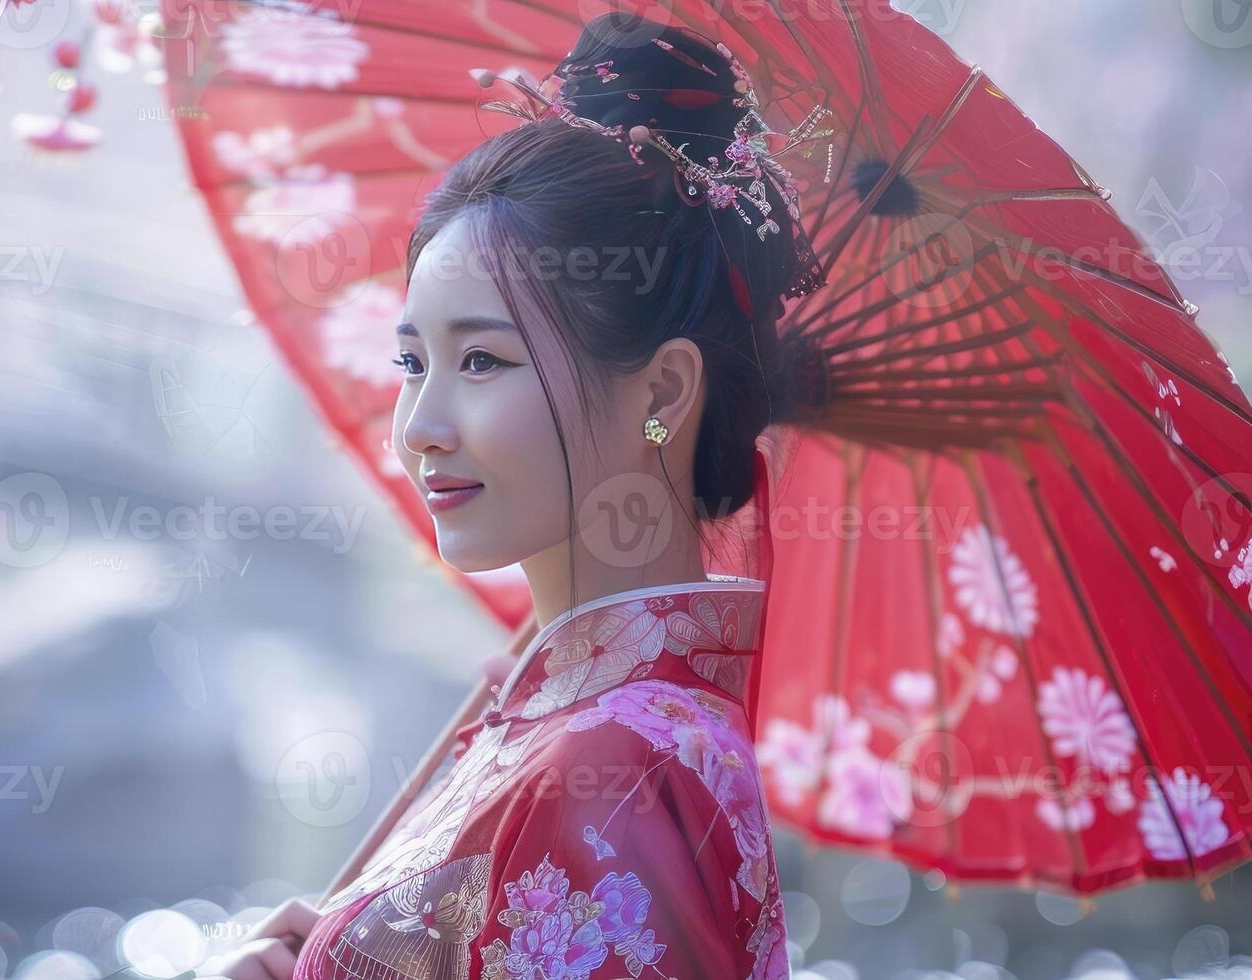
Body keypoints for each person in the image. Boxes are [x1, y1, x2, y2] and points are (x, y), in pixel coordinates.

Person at [199, 13, 833, 980]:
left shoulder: (614, 764)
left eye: (483, 359)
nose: (420, 425)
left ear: (661, 393)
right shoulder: (581, 722)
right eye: (412, 362)